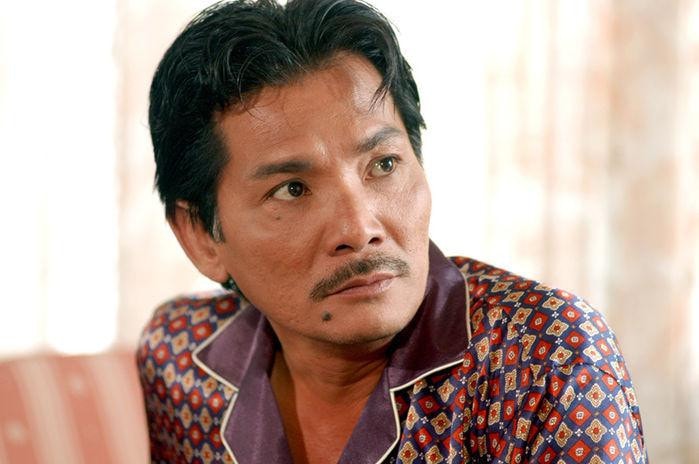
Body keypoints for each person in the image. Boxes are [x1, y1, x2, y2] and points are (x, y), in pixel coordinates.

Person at [137, 0, 647, 462]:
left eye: (383, 164)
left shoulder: (545, 355)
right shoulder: (180, 360)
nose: (360, 228)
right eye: (292, 189)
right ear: (201, 236)